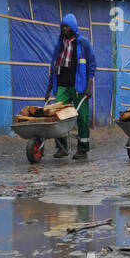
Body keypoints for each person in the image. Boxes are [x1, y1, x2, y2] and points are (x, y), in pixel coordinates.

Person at [46, 12, 96, 161]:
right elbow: (53, 66)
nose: (64, 30)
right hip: (62, 85)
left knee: (82, 117)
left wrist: (89, 85)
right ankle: (62, 148)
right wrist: (49, 85)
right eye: (62, 27)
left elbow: (92, 65)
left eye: (67, 27)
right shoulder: (59, 45)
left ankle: (83, 149)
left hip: (79, 86)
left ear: (74, 28)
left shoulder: (84, 44)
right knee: (59, 116)